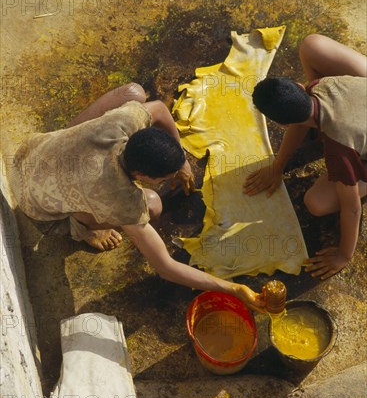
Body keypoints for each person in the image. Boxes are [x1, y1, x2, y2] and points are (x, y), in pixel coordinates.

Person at [11, 82, 265, 312]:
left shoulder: (121, 124)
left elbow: (158, 110)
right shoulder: (121, 198)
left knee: (133, 93)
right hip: (35, 205)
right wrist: (233, 289)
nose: (169, 180)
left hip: (30, 155)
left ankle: (70, 137)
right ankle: (83, 229)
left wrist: (181, 161)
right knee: (153, 205)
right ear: (142, 175)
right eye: (164, 178)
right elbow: (165, 267)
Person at [243, 34, 367, 280]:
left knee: (316, 203)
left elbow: (351, 208)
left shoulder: (339, 147)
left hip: (350, 136)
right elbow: (300, 121)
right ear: (300, 88)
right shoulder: (319, 85)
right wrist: (278, 165)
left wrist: (344, 254)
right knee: (312, 43)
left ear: (280, 122)